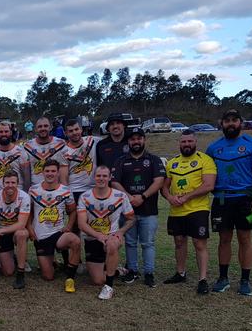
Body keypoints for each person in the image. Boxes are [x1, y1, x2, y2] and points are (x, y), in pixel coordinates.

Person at [207, 109, 252, 296]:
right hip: (222, 199)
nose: (231, 124)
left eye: (234, 120)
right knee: (224, 239)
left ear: (241, 122)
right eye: (227, 121)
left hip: (246, 199)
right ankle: (223, 278)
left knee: (245, 239)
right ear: (221, 123)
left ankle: (245, 281)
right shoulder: (213, 148)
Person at [161, 130, 216, 295]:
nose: (186, 144)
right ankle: (180, 273)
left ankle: (203, 279)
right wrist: (170, 197)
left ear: (195, 142)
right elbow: (164, 186)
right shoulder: (172, 163)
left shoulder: (205, 160)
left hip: (198, 209)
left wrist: (187, 197)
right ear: (179, 143)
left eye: (190, 141)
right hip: (176, 210)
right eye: (183, 142)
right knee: (178, 241)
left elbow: (208, 185)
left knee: (199, 243)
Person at [111, 128, 165, 287]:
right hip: (128, 212)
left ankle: (149, 273)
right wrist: (129, 198)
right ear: (128, 142)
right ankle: (132, 271)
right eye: (133, 139)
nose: (136, 142)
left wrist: (142, 196)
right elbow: (114, 182)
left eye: (139, 139)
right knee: (130, 242)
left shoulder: (154, 160)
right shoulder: (120, 160)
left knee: (148, 243)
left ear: (144, 140)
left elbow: (159, 181)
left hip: (149, 210)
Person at [77, 166, 135, 300]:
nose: (101, 178)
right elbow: (81, 224)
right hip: (92, 239)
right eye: (98, 176)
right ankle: (116, 270)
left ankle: (109, 287)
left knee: (112, 244)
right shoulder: (85, 197)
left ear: (109, 178)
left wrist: (120, 232)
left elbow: (131, 219)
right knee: (97, 280)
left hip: (112, 237)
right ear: (94, 177)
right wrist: (98, 235)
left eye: (104, 176)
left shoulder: (120, 196)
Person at [27, 159, 81, 292]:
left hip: (58, 234)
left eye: (53, 171)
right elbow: (29, 212)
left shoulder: (65, 190)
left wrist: (69, 225)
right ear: (42, 172)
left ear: (58, 173)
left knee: (75, 241)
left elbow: (73, 211)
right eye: (47, 171)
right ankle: (53, 262)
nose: (50, 174)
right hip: (41, 236)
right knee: (48, 276)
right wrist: (30, 228)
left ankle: (70, 278)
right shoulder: (33, 190)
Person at [0, 170, 31, 289]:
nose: (10, 185)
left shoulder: (24, 197)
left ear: (17, 183)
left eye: (13, 182)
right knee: (8, 272)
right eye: (7, 182)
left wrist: (0, 231)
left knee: (22, 233)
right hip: (3, 235)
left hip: (15, 232)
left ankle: (21, 273)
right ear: (3, 183)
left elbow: (21, 224)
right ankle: (14, 257)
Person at [0, 121, 30, 194]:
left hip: (16, 194)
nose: (4, 134)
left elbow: (27, 177)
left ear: (10, 132)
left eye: (6, 131)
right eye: (1, 132)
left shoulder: (20, 152)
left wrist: (26, 194)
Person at [23, 117, 67, 187]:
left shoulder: (61, 144)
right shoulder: (28, 146)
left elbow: (65, 168)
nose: (43, 128)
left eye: (46, 126)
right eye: (40, 126)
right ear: (35, 129)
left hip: (56, 188)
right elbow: (26, 171)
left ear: (50, 127)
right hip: (35, 189)